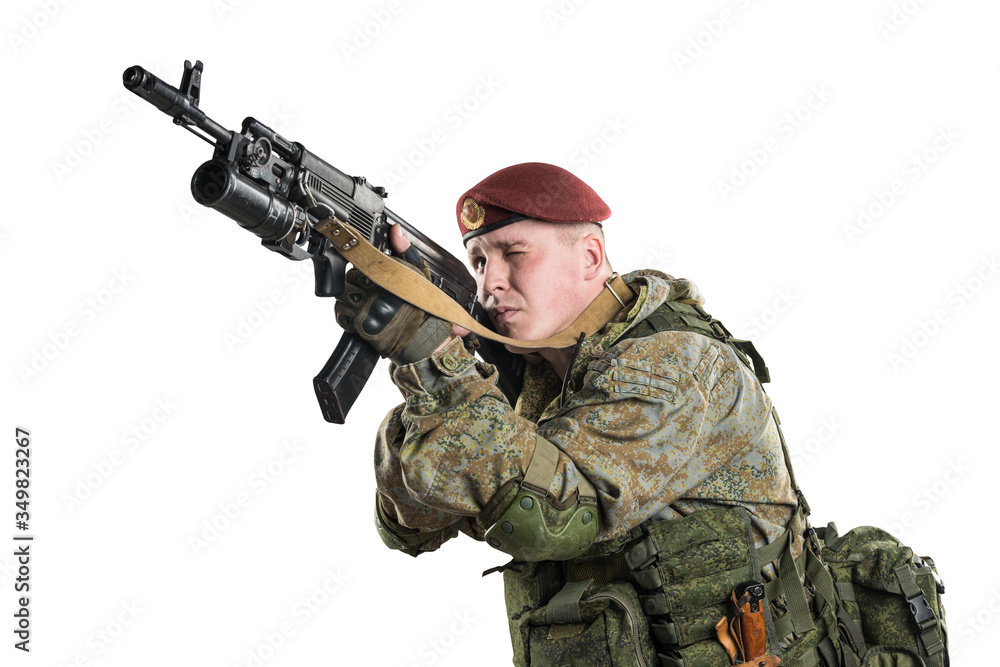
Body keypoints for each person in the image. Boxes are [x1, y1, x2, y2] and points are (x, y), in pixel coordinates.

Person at [334, 163, 830, 665]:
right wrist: (434, 362)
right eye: (479, 262)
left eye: (514, 254)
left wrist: (433, 356)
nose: (490, 284)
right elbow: (410, 525)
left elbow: (550, 517)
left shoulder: (673, 365)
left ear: (590, 257)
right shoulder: (540, 374)